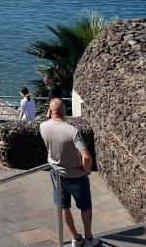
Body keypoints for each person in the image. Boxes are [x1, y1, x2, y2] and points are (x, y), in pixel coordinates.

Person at [40, 98, 99, 247]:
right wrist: (86, 170)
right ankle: (88, 239)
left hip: (56, 173)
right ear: (64, 111)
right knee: (85, 207)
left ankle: (76, 239)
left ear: (49, 111)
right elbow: (86, 156)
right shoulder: (72, 131)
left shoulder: (43, 127)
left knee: (63, 207)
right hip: (76, 175)